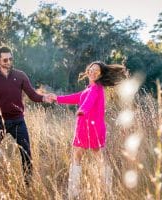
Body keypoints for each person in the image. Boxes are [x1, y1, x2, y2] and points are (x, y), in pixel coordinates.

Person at [51, 61, 127, 198]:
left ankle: (80, 192)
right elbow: (75, 98)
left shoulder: (96, 88)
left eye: (96, 71)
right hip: (86, 128)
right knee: (88, 157)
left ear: (101, 74)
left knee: (91, 158)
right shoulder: (89, 88)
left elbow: (88, 102)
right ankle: (88, 192)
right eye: (91, 69)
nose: (92, 72)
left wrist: (82, 110)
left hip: (91, 128)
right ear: (87, 70)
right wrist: (56, 98)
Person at [0, 46, 53, 185]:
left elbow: (33, 95)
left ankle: (28, 185)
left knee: (26, 154)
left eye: (11, 58)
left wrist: (44, 98)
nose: (9, 61)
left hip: (18, 121)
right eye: (5, 59)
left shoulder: (20, 75)